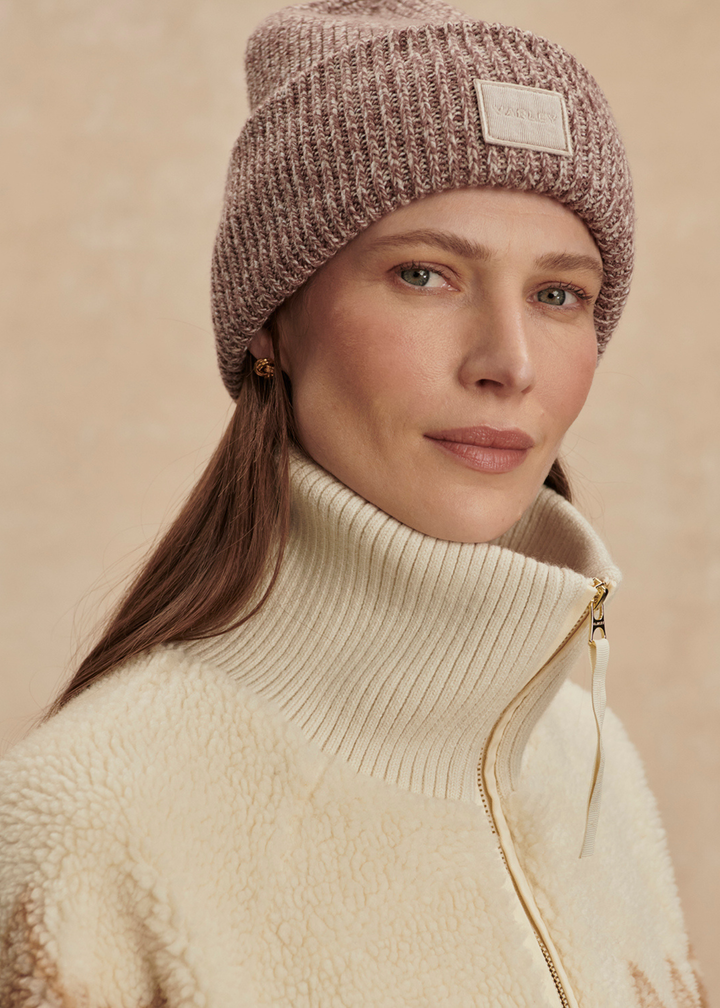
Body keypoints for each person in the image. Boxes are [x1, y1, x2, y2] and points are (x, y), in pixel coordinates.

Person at [0, 1, 705, 1005]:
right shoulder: (88, 823)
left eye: (560, 295)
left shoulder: (590, 763)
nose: (508, 363)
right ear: (272, 325)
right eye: (424, 274)